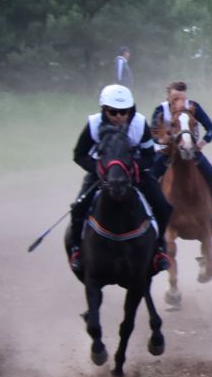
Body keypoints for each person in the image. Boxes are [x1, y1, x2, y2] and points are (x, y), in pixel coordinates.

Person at [64, 84, 172, 280]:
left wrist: (131, 169)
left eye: (124, 111)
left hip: (135, 174)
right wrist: (99, 169)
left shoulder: (139, 124)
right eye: (113, 111)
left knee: (164, 207)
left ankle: (159, 249)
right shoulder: (93, 124)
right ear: (104, 109)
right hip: (103, 175)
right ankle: (77, 251)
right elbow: (79, 154)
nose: (119, 116)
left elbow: (148, 156)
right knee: (78, 207)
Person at [149, 81, 212, 227]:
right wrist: (163, 139)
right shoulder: (161, 109)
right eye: (175, 99)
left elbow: (211, 129)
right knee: (150, 177)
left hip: (191, 150)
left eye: (182, 98)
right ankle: (151, 213)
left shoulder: (193, 107)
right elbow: (152, 135)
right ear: (169, 97)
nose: (180, 102)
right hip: (167, 152)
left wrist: (202, 143)